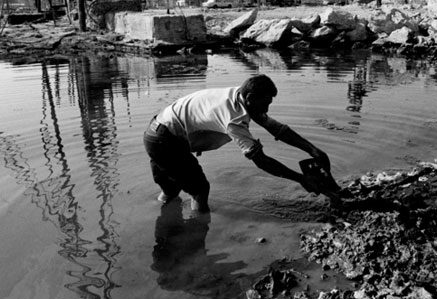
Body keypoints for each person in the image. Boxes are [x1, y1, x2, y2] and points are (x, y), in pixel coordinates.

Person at [143, 74, 338, 211]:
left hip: (156, 133)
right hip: (165, 142)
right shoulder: (233, 119)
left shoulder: (240, 95)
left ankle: (162, 217)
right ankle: (197, 234)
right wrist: (302, 179)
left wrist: (313, 150)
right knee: (200, 190)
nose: (267, 109)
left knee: (171, 191)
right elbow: (261, 161)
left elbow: (276, 129)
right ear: (251, 98)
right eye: (265, 104)